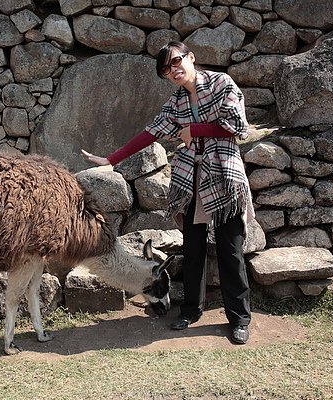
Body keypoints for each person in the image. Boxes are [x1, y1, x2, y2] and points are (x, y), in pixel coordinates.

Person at [82, 41, 254, 345]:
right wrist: (112, 158)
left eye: (176, 62)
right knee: (193, 249)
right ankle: (190, 310)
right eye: (165, 69)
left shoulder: (221, 83)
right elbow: (151, 132)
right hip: (190, 180)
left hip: (223, 177)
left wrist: (195, 131)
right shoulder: (176, 102)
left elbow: (238, 126)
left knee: (230, 250)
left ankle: (239, 318)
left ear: (190, 57)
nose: (173, 70)